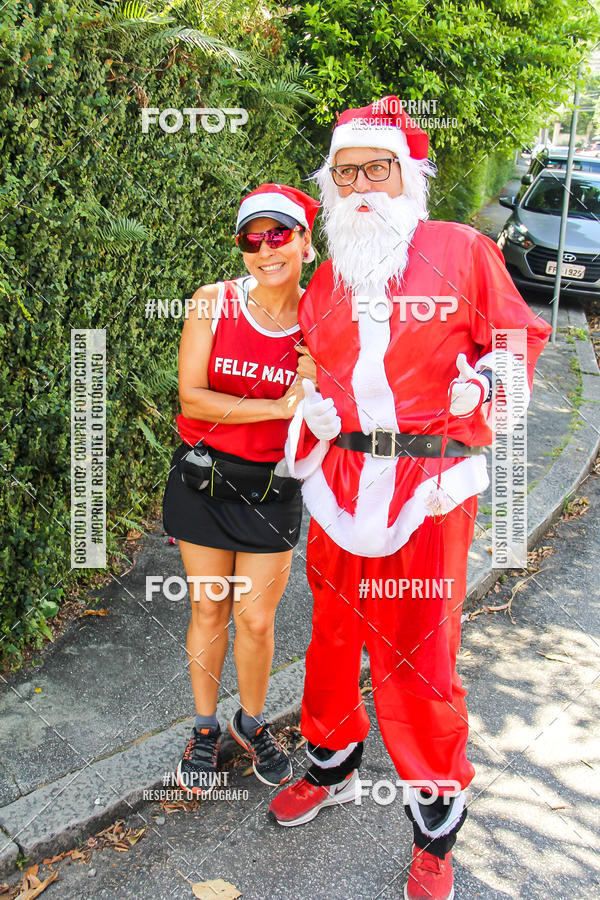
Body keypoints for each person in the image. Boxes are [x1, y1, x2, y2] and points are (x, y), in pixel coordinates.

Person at [268, 98, 552, 899]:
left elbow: (514, 335)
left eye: (376, 168)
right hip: (338, 486)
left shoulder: (460, 250)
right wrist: (310, 412)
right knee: (329, 643)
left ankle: (435, 830)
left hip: (428, 491)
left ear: (407, 176)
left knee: (419, 661)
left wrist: (488, 384)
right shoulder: (325, 280)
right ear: (330, 187)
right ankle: (333, 766)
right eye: (345, 172)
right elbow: (314, 372)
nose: (361, 186)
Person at [162, 183, 320, 796]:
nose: (265, 249)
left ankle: (251, 723)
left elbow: (338, 402)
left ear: (306, 242)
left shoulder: (319, 319)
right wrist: (281, 405)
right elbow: (192, 397)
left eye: (280, 234)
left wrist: (318, 382)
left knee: (255, 620)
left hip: (273, 490)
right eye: (252, 237)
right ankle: (204, 732)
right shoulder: (213, 302)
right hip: (203, 482)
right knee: (208, 608)